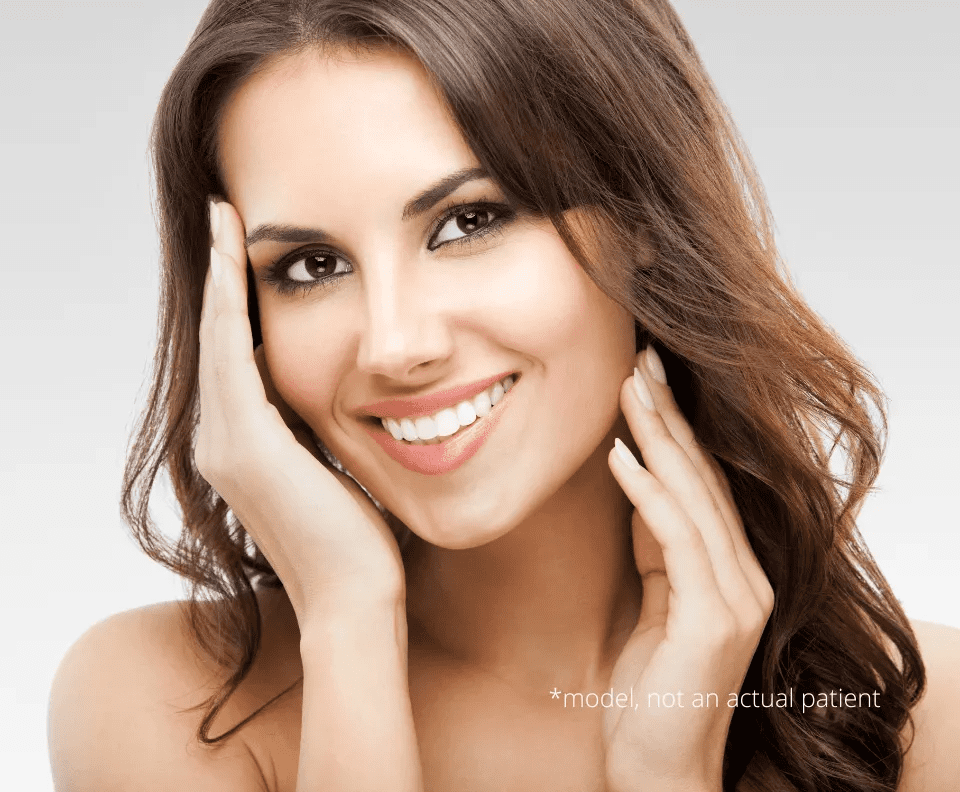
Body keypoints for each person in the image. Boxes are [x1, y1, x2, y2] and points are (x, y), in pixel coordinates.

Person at [48, 1, 960, 790]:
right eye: (311, 266)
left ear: (642, 215)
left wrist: (665, 780)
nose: (397, 344)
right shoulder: (165, 704)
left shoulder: (919, 724)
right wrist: (347, 626)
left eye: (468, 221)